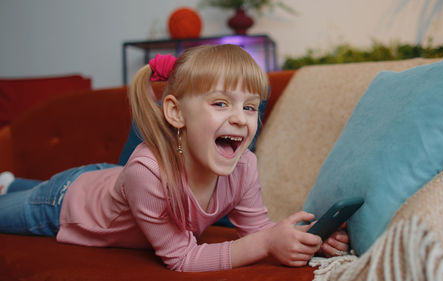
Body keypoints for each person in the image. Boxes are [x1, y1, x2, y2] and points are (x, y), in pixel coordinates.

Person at [0, 44, 348, 272]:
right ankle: (15, 188)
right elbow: (182, 258)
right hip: (64, 201)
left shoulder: (244, 167)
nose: (242, 118)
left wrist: (307, 239)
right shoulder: (147, 173)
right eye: (221, 103)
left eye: (250, 107)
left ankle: (9, 183)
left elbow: (258, 232)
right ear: (176, 113)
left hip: (110, 180)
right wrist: (266, 243)